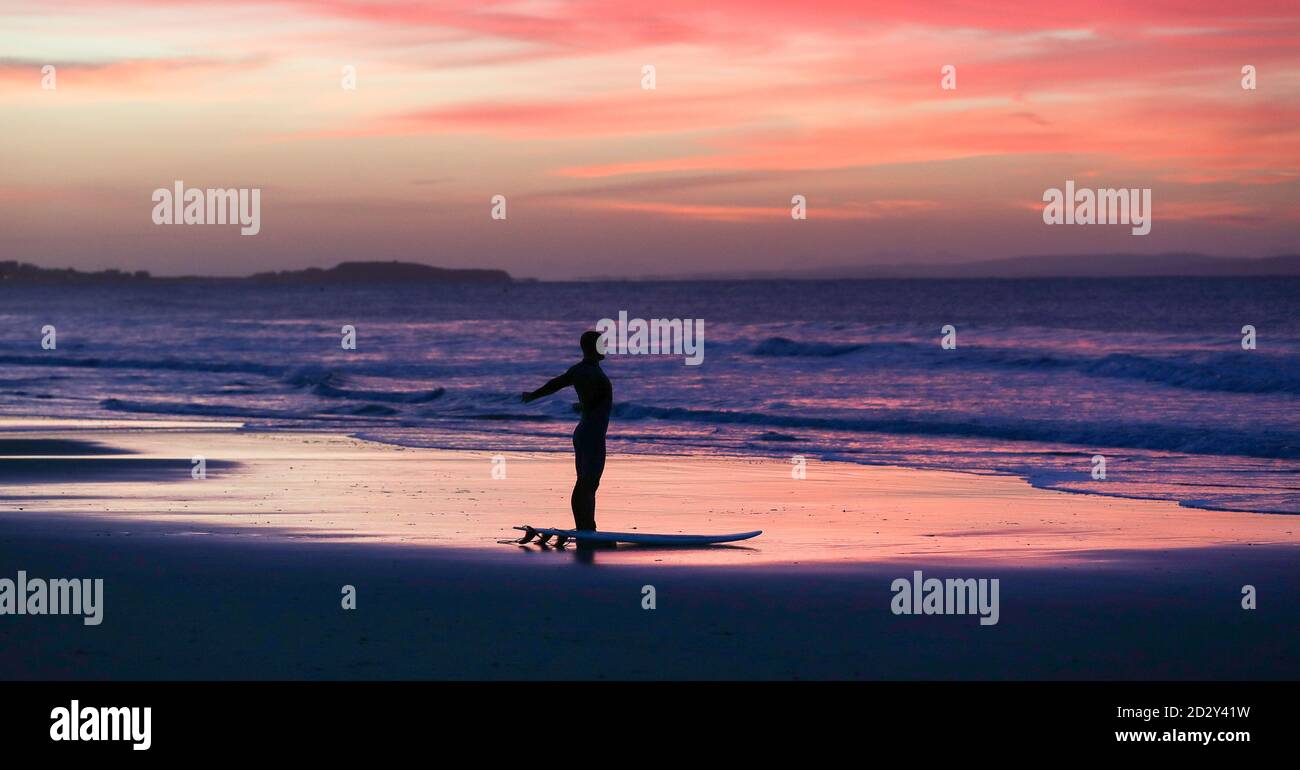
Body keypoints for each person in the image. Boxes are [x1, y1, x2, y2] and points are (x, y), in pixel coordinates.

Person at [521, 330, 612, 531]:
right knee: (588, 483)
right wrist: (585, 405)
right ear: (593, 348)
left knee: (586, 482)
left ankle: (585, 526)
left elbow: (556, 384)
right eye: (601, 343)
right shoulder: (593, 373)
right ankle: (586, 527)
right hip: (592, 434)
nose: (605, 347)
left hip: (584, 432)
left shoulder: (578, 370)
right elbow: (593, 400)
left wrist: (533, 395)